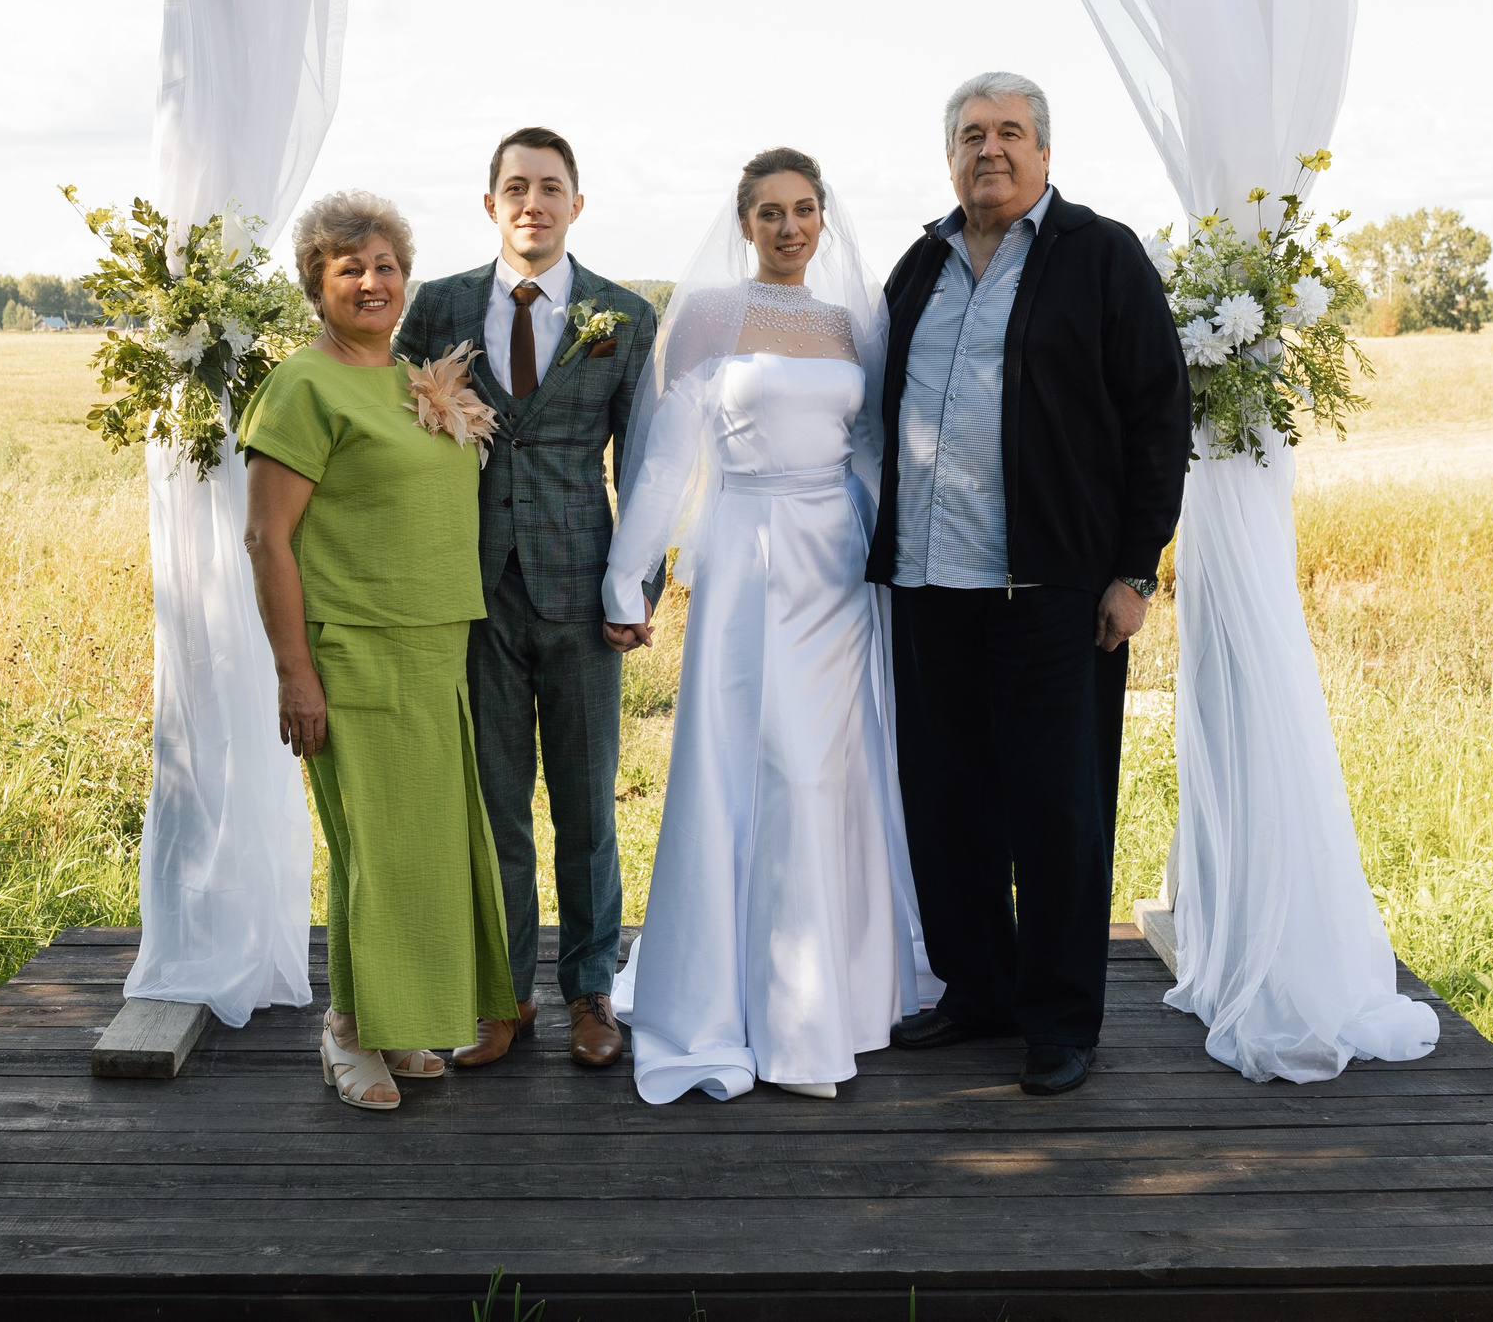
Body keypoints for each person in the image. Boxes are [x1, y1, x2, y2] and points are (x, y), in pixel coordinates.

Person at [868, 72, 1190, 1097]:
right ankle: (979, 992)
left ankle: (1058, 1018)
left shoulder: (1099, 256)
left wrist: (1134, 569)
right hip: (926, 585)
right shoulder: (916, 266)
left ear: (1045, 153)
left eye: (1010, 133)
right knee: (948, 800)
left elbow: (1158, 419)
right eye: (970, 135)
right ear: (948, 155)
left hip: (1049, 588)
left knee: (1055, 808)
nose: (989, 150)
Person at [601, 148, 937, 1104]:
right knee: (749, 766)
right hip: (747, 558)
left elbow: (872, 444)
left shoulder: (847, 323)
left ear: (822, 219)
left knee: (825, 769)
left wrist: (891, 560)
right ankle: (747, 1005)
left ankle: (833, 1001)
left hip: (834, 563)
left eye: (803, 211)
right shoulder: (709, 314)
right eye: (769, 213)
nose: (789, 227)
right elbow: (667, 459)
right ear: (743, 222)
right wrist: (631, 576)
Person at [235, 189, 513, 1112]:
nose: (372, 280)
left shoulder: (409, 381)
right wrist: (294, 672)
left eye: (387, 264)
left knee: (424, 847)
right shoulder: (301, 385)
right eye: (350, 266)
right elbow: (267, 539)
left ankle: (398, 1024)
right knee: (377, 850)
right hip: (354, 648)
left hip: (436, 649)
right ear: (317, 283)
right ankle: (348, 1028)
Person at [391, 128, 659, 1070]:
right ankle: (501, 996)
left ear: (576, 204)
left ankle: (590, 992)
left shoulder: (621, 316)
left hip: (584, 592)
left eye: (550, 187)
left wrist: (638, 584)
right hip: (470, 590)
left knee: (587, 807)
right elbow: (400, 435)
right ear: (490, 203)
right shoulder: (440, 306)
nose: (531, 202)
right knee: (495, 804)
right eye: (515, 187)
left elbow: (648, 464)